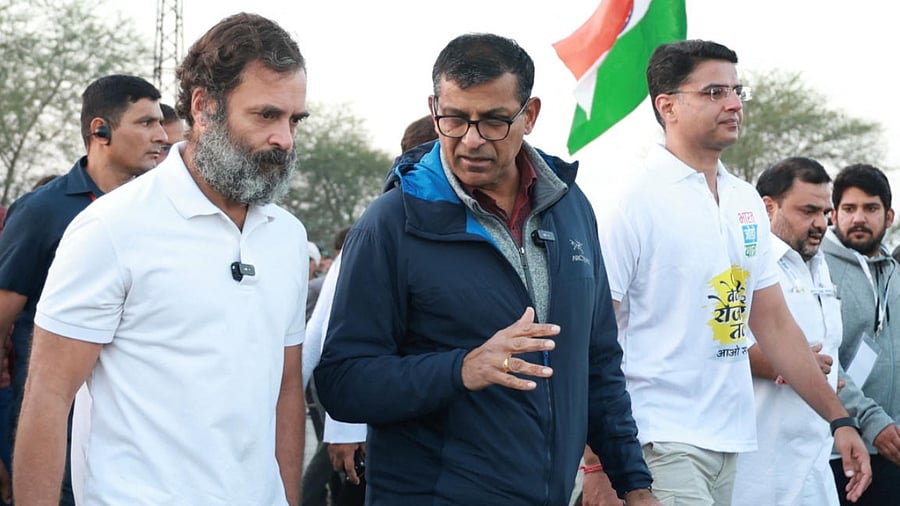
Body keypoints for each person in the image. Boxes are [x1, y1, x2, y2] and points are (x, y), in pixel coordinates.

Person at [315, 33, 658, 505]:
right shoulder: (392, 223)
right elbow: (343, 383)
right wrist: (462, 368)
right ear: (434, 109)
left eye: (495, 121)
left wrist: (633, 483)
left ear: (530, 115)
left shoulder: (571, 207)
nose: (471, 140)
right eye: (454, 119)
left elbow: (597, 362)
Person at [12, 12, 309, 505]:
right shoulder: (111, 228)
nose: (285, 138)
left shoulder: (288, 237)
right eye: (266, 115)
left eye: (294, 119)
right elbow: (46, 399)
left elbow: (286, 390)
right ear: (204, 106)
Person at [594, 39, 870, 505]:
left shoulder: (743, 199)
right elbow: (594, 336)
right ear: (668, 106)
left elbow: (775, 323)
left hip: (731, 442)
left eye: (738, 91)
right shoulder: (634, 199)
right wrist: (596, 461)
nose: (734, 105)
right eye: (714, 93)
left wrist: (838, 419)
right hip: (657, 438)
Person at [0, 73, 166, 506]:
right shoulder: (42, 210)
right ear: (100, 130)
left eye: (161, 123)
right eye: (146, 123)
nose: (162, 136)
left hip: (137, 440)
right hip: (57, 438)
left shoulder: (162, 212)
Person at [730, 157, 842, 505]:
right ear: (769, 206)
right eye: (808, 211)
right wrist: (789, 363)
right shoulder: (739, 264)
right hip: (757, 474)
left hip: (815, 470)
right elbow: (723, 348)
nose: (820, 223)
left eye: (825, 212)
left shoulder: (822, 266)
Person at [822, 163, 900, 505]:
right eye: (849, 209)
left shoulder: (895, 275)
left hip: (893, 449)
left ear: (889, 216)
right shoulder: (817, 271)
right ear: (834, 214)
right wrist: (870, 420)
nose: (858, 218)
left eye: (870, 208)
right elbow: (822, 360)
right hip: (842, 450)